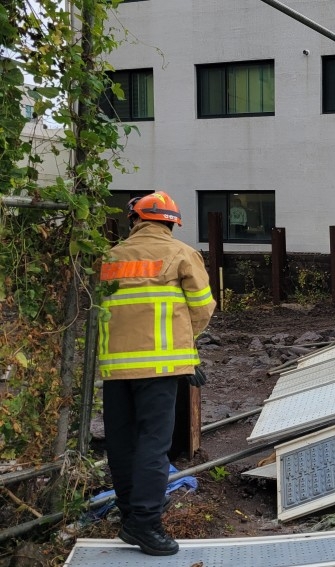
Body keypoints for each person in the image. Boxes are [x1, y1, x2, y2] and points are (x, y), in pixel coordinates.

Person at [99, 191, 216, 556]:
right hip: (161, 366)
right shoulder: (181, 254)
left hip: (116, 367)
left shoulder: (109, 257)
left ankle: (130, 514)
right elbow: (203, 307)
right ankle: (145, 524)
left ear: (135, 220)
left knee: (120, 443)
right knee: (153, 442)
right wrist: (186, 348)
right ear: (170, 223)